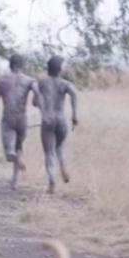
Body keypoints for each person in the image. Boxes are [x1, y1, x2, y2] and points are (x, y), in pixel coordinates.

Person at [0, 54, 39, 190]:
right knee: (19, 146)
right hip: (22, 118)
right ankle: (14, 182)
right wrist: (37, 101)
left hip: (8, 118)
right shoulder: (29, 80)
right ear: (22, 65)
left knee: (9, 149)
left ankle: (10, 153)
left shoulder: (1, 80)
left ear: (10, 64)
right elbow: (38, 92)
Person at [33, 56, 79, 193]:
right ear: (60, 70)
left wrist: (42, 108)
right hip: (61, 120)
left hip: (48, 120)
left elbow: (34, 102)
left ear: (48, 69)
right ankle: (63, 166)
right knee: (59, 148)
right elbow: (74, 94)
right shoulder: (65, 84)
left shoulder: (41, 83)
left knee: (49, 152)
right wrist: (74, 114)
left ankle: (52, 179)